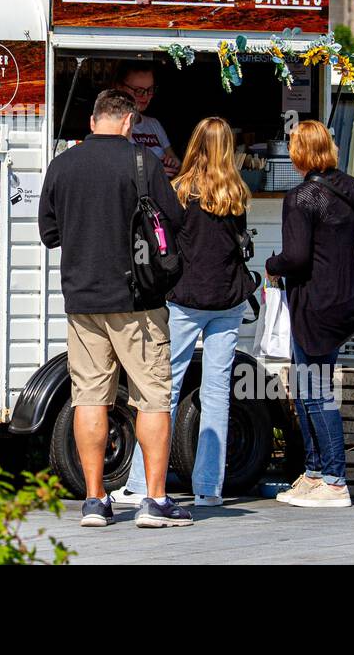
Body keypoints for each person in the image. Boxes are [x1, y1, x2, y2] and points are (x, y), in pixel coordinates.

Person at [38, 89, 193, 529]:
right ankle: (156, 501)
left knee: (90, 397)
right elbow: (175, 222)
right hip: (138, 301)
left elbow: (49, 233)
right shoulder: (141, 163)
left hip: (82, 301)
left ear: (92, 122)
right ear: (129, 124)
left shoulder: (62, 165)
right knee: (152, 397)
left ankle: (93, 501)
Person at [112, 117, 256, 509]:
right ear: (228, 148)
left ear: (194, 145)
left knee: (163, 392)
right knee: (216, 394)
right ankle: (209, 488)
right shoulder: (237, 193)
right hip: (228, 301)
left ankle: (142, 483)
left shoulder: (179, 190)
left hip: (186, 299)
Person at [265, 120, 354, 508]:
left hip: (314, 306)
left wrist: (272, 265)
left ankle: (335, 480)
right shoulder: (349, 187)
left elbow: (296, 257)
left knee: (316, 393)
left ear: (299, 153)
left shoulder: (300, 198)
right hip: (344, 304)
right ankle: (314, 472)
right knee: (308, 390)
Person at [115, 62, 180, 178]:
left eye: (150, 89)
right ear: (120, 87)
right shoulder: (111, 125)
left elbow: (174, 158)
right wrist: (154, 173)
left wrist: (173, 162)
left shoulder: (153, 123)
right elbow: (114, 167)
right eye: (138, 91)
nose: (146, 96)